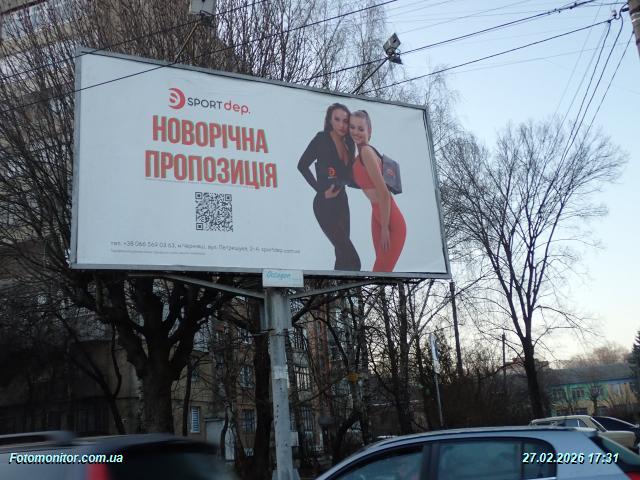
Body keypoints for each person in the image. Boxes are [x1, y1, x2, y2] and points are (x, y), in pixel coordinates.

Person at [298, 103, 361, 271]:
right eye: (337, 119)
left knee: (342, 258)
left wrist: (374, 184)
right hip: (324, 205)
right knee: (353, 261)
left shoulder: (349, 144)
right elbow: (302, 165)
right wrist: (320, 191)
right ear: (330, 121)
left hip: (342, 204)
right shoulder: (322, 139)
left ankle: (335, 289)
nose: (341, 125)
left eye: (345, 121)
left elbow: (349, 179)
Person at [350, 110, 406, 272]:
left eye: (361, 128)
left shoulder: (366, 152)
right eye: (352, 127)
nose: (356, 132)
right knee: (379, 274)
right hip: (376, 214)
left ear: (369, 131)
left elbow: (384, 194)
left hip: (390, 221)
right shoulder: (358, 157)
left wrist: (385, 227)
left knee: (380, 271)